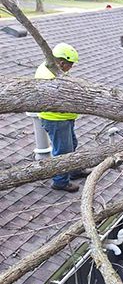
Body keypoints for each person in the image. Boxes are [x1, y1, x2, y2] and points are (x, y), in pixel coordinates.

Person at [35, 43, 89, 192]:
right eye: (69, 65)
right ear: (62, 62)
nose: (70, 69)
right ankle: (60, 182)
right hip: (56, 119)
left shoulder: (52, 67)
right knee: (62, 152)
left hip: (62, 118)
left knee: (71, 144)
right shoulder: (48, 76)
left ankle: (73, 170)